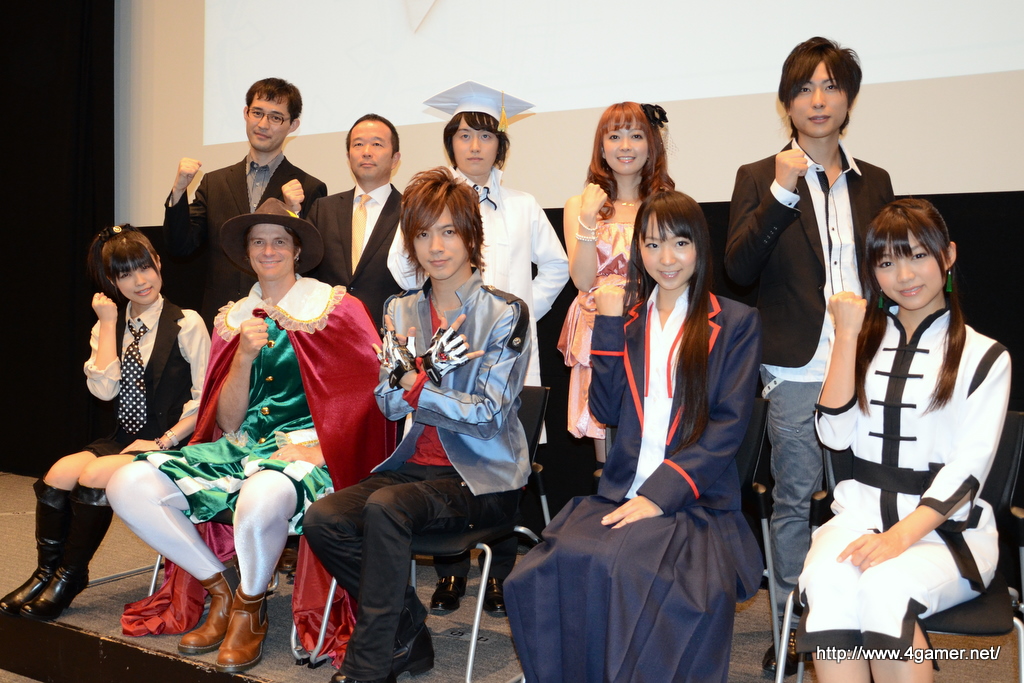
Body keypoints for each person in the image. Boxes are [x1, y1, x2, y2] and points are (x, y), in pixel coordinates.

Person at [108, 198, 387, 674]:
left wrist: (321, 447)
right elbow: (229, 420)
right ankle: (222, 592)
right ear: (247, 252)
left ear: (297, 250)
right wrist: (241, 357)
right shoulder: (233, 317)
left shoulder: (336, 308)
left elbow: (371, 395)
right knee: (127, 484)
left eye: (279, 241)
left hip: (312, 455)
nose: (268, 250)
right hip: (245, 448)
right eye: (258, 242)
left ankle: (250, 607)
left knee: (261, 495)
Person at [506, 190, 763, 683]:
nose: (666, 258)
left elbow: (728, 426)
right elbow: (604, 411)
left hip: (694, 499)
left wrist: (659, 496)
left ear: (700, 247)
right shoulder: (626, 319)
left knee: (622, 567)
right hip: (622, 490)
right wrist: (606, 324)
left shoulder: (734, 322)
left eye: (680, 243)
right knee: (544, 568)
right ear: (638, 250)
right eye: (652, 244)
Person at [305, 167, 532, 683]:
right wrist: (407, 382)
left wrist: (415, 384)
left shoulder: (505, 313)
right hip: (415, 470)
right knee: (324, 519)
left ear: (471, 236)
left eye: (449, 231)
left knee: (386, 507)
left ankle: (370, 664)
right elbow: (389, 406)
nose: (436, 247)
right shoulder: (401, 309)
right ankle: (408, 631)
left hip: (482, 478)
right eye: (424, 234)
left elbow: (487, 416)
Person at [724, 36, 895, 674]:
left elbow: (893, 269)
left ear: (848, 99)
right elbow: (738, 268)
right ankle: (797, 626)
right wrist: (782, 192)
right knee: (795, 498)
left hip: (866, 363)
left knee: (866, 499)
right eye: (804, 88)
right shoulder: (758, 177)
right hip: (796, 367)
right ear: (786, 103)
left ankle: (864, 618)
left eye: (830, 86)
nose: (818, 100)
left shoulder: (874, 181)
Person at [797, 199, 1010, 683]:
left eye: (917, 255)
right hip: (859, 516)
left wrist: (898, 538)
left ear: (948, 255)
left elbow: (969, 469)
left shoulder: (985, 356)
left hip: (948, 534)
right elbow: (832, 434)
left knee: (885, 588)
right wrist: (845, 337)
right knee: (827, 585)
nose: (905, 275)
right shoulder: (860, 341)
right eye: (887, 263)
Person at [388, 81, 568, 616]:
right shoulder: (431, 204)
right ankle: (450, 575)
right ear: (451, 143)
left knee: (497, 458)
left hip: (502, 361)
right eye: (464, 135)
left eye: (485, 136)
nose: (474, 145)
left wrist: (518, 318)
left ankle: (500, 573)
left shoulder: (523, 205)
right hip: (442, 360)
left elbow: (557, 265)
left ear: (500, 145)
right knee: (444, 456)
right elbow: (401, 266)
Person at [0, 226, 209, 622]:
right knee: (58, 474)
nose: (140, 281)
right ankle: (46, 573)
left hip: (174, 441)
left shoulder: (187, 322)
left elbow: (205, 399)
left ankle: (69, 577)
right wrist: (110, 323)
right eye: (126, 274)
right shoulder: (108, 324)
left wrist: (164, 441)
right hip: (124, 437)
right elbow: (103, 390)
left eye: (145, 268)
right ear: (113, 281)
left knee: (94, 475)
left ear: (158, 264)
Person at [559, 101, 674, 461]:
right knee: (608, 453)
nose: (625, 146)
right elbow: (582, 280)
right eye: (614, 136)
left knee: (657, 442)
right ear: (602, 147)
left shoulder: (666, 204)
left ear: (651, 145)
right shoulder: (579, 205)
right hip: (599, 329)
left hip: (654, 327)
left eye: (636, 136)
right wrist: (589, 217)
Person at [163, 77, 328, 325]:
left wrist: (294, 214)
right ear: (245, 113)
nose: (263, 124)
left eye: (275, 117)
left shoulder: (308, 187)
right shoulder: (214, 183)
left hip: (281, 321)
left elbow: (310, 262)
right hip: (222, 319)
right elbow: (180, 247)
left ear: (293, 125)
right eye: (257, 113)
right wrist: (178, 191)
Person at [308, 113, 403, 329]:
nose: (366, 152)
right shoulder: (323, 209)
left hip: (388, 334)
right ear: (348, 156)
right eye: (358, 144)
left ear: (395, 159)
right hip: (329, 333)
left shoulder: (412, 211)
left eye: (377, 144)